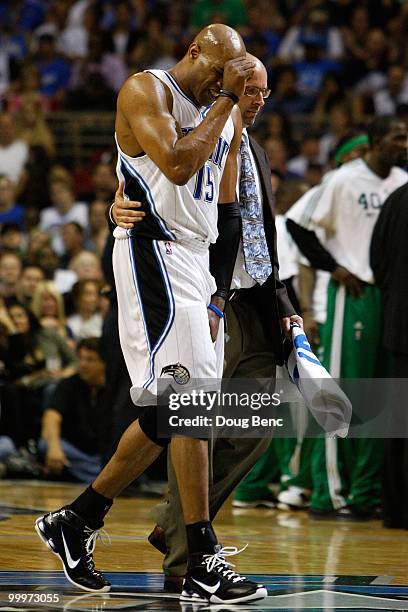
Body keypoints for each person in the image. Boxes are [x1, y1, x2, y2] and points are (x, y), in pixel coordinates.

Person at [35, 24, 267, 605]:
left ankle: (79, 517)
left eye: (231, 78)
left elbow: (231, 210)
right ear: (193, 52)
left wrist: (218, 294)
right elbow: (179, 163)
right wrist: (222, 102)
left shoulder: (228, 116)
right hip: (152, 254)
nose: (225, 84)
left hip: (196, 264)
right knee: (189, 408)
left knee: (177, 412)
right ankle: (202, 556)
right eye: (217, 72)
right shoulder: (146, 90)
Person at [112, 55, 302, 588]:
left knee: (255, 426)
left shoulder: (253, 151)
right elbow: (157, 179)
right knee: (190, 416)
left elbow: (259, 235)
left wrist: (286, 307)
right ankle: (189, 555)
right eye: (249, 86)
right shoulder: (194, 124)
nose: (256, 97)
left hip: (254, 301)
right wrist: (118, 208)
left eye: (265, 90)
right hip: (208, 296)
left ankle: (171, 527)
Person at [286, 116, 408, 519]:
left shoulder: (399, 183)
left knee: (381, 397)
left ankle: (366, 490)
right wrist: (334, 268)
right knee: (343, 394)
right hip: (351, 294)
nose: (404, 145)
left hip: (387, 297)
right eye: (397, 136)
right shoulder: (342, 179)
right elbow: (297, 227)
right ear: (374, 142)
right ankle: (331, 493)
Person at [370, 182, 408, 528]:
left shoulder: (397, 197)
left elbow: (376, 259)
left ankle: (395, 510)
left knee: (398, 426)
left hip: (399, 325)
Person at [39, 338, 106, 483]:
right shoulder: (69, 384)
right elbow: (51, 416)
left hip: (106, 453)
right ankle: (105, 480)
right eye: (80, 358)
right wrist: (54, 447)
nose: (83, 364)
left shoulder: (116, 389)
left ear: (104, 363)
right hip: (76, 452)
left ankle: (101, 477)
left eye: (90, 360)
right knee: (46, 444)